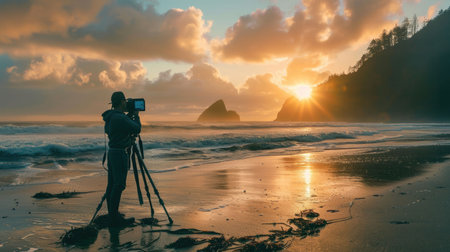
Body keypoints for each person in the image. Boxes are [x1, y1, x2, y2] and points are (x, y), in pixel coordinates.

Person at [102, 91, 141, 226]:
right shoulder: (120, 118)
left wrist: (129, 118)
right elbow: (137, 129)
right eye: (125, 101)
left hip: (112, 152)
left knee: (112, 185)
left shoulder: (111, 116)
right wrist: (136, 116)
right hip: (119, 154)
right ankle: (114, 218)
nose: (126, 104)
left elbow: (114, 130)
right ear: (122, 102)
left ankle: (112, 214)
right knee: (119, 185)